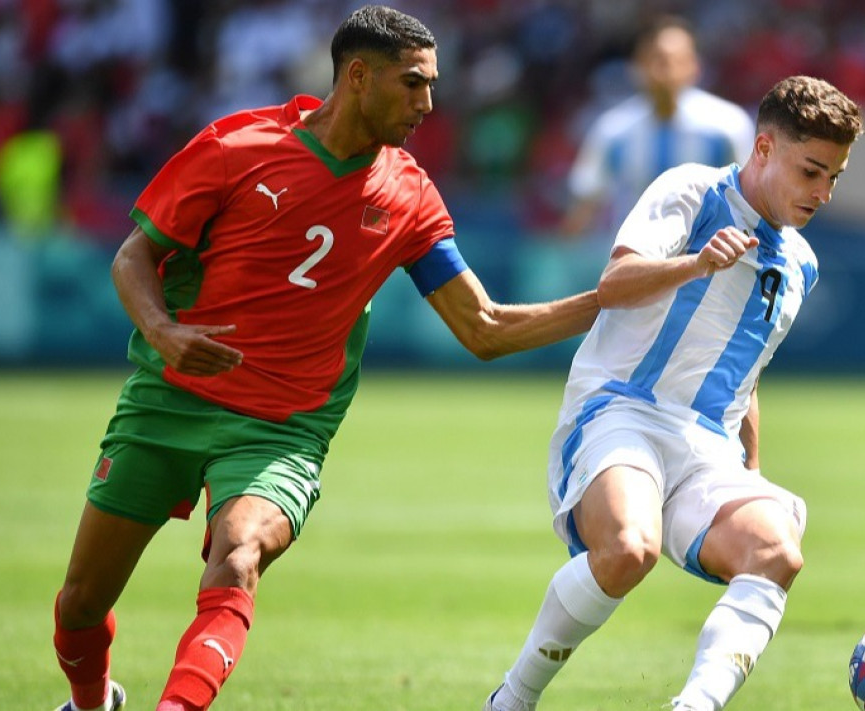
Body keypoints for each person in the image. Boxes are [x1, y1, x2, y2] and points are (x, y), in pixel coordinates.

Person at [49, 7, 599, 711]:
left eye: (432, 86)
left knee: (239, 556)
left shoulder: (409, 195)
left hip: (281, 430)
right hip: (169, 400)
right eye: (412, 84)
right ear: (358, 76)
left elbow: (484, 326)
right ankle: (91, 702)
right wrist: (160, 329)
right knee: (81, 603)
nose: (428, 104)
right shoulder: (235, 146)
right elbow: (134, 255)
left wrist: (607, 300)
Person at [484, 75, 864, 711]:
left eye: (834, 178)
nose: (822, 193)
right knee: (629, 549)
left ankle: (694, 706)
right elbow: (614, 283)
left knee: (776, 551)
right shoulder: (693, 190)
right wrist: (697, 262)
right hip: (622, 409)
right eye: (811, 171)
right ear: (764, 149)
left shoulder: (801, 264)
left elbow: (746, 372)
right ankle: (512, 700)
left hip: (707, 446)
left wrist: (752, 469)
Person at [559, 15, 755, 240]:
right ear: (636, 66)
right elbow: (586, 201)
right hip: (634, 256)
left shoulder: (727, 126)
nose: (665, 71)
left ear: (695, 66)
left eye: (675, 61)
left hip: (706, 256)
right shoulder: (613, 130)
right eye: (657, 60)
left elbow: (751, 198)